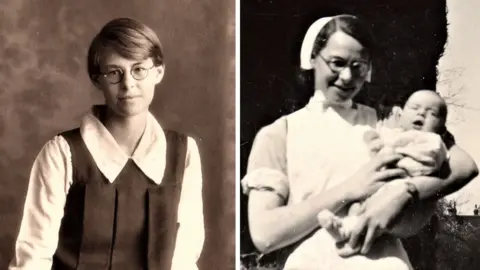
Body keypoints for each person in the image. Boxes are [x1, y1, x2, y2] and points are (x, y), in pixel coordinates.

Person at [241, 14, 478, 270]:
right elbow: (264, 234)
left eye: (359, 67)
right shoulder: (279, 133)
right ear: (312, 58)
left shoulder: (386, 121)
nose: (346, 77)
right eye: (337, 63)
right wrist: (350, 189)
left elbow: (465, 165)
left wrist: (406, 192)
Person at [9, 18, 204, 270]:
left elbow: (184, 258)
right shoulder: (61, 154)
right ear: (96, 79)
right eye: (114, 72)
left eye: (139, 70)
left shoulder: (183, 152)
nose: (128, 84)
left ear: (158, 72)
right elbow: (33, 258)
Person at [317, 90, 452, 257]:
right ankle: (344, 231)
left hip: (403, 188)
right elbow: (371, 135)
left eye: (432, 113)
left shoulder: (433, 141)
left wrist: (390, 152)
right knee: (356, 207)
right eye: (415, 107)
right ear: (401, 114)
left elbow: (427, 160)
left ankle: (354, 239)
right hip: (381, 184)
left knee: (382, 210)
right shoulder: (394, 132)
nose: (422, 113)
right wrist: (373, 139)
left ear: (441, 127)